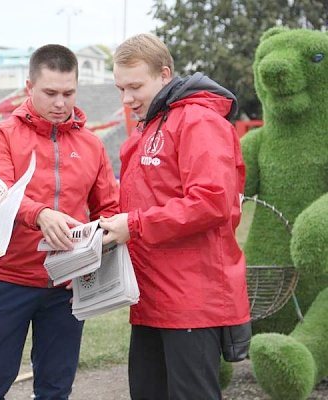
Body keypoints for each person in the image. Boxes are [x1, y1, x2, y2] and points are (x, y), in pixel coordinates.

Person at [99, 33, 250, 400]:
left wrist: (132, 226)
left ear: (164, 75)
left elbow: (212, 201)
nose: (127, 98)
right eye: (121, 88)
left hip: (191, 303)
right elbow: (139, 200)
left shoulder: (198, 122)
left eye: (135, 86)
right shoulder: (151, 124)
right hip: (151, 299)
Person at [0, 44, 119, 400]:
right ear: (29, 87)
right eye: (50, 93)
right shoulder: (1, 136)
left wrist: (92, 259)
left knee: (56, 389)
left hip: (66, 288)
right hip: (9, 278)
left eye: (68, 93)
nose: (60, 103)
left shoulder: (92, 145)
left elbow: (108, 210)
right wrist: (39, 213)